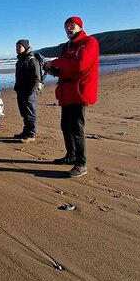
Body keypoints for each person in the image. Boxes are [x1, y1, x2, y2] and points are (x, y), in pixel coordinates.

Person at [44, 16, 99, 178]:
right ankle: (71, 155)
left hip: (79, 91)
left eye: (72, 25)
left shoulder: (89, 42)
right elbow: (65, 69)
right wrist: (53, 70)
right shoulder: (68, 47)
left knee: (76, 127)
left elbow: (80, 65)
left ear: (80, 27)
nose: (69, 28)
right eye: (67, 26)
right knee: (65, 126)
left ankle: (81, 163)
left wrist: (55, 62)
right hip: (66, 91)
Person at [14, 39, 42, 143]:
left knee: (30, 113)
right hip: (21, 91)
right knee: (24, 113)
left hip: (29, 92)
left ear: (25, 47)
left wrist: (31, 91)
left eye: (19, 46)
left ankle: (31, 134)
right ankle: (25, 132)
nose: (17, 48)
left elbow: (36, 78)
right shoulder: (20, 60)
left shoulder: (32, 60)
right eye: (16, 46)